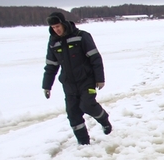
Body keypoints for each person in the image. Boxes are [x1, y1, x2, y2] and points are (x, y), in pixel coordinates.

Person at [42, 12, 112, 145]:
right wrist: (46, 86)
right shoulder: (53, 42)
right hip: (68, 84)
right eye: (53, 27)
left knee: (87, 105)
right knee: (73, 113)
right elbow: (51, 66)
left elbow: (95, 58)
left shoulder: (81, 36)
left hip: (86, 80)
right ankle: (83, 142)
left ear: (63, 23)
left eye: (58, 26)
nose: (56, 29)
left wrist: (100, 78)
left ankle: (104, 120)